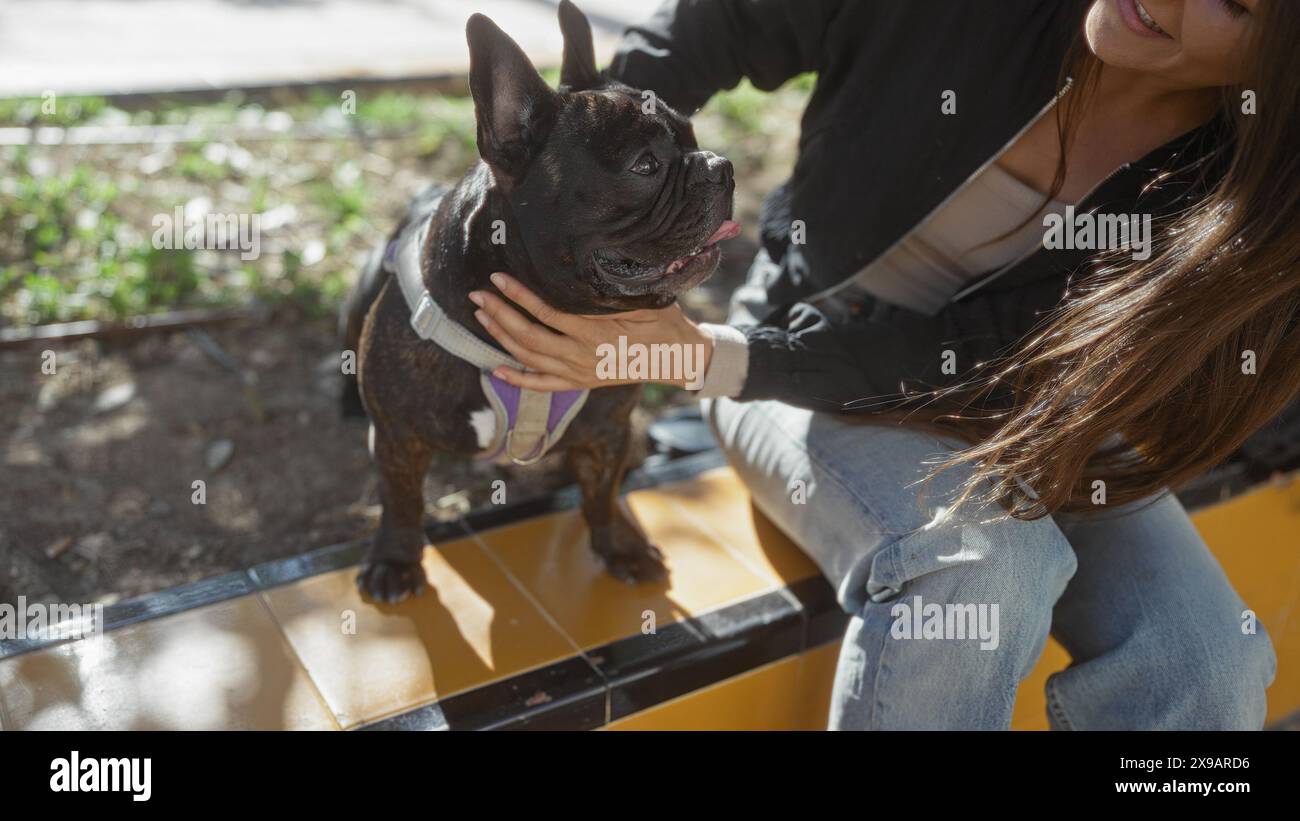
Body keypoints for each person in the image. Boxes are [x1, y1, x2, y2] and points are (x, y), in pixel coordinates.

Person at [466, 0, 1292, 729]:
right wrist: (558, 155)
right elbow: (723, 23)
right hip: (780, 361)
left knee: (1210, 660)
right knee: (981, 566)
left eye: (1232, 3)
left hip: (1035, 412)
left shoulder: (1235, 198)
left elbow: (998, 358)